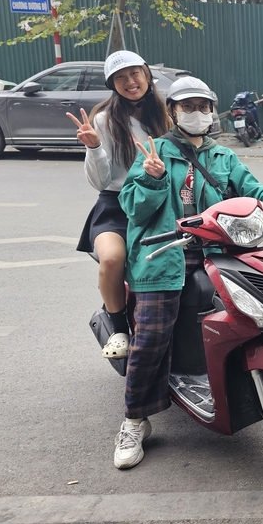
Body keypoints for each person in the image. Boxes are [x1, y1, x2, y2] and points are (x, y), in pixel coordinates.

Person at [114, 76, 263, 470]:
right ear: (173, 111)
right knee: (151, 336)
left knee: (258, 309)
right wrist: (151, 178)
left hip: (219, 250)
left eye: (203, 106)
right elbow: (134, 208)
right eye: (188, 106)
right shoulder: (157, 151)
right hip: (165, 256)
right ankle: (135, 420)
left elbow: (251, 189)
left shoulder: (222, 156)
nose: (197, 113)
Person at [70, 51, 172, 360]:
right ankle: (118, 329)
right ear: (112, 84)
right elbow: (101, 182)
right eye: (120, 77)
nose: (130, 82)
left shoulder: (164, 115)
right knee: (113, 258)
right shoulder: (104, 120)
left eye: (135, 74)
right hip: (116, 206)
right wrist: (95, 147)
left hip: (158, 200)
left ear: (146, 75)